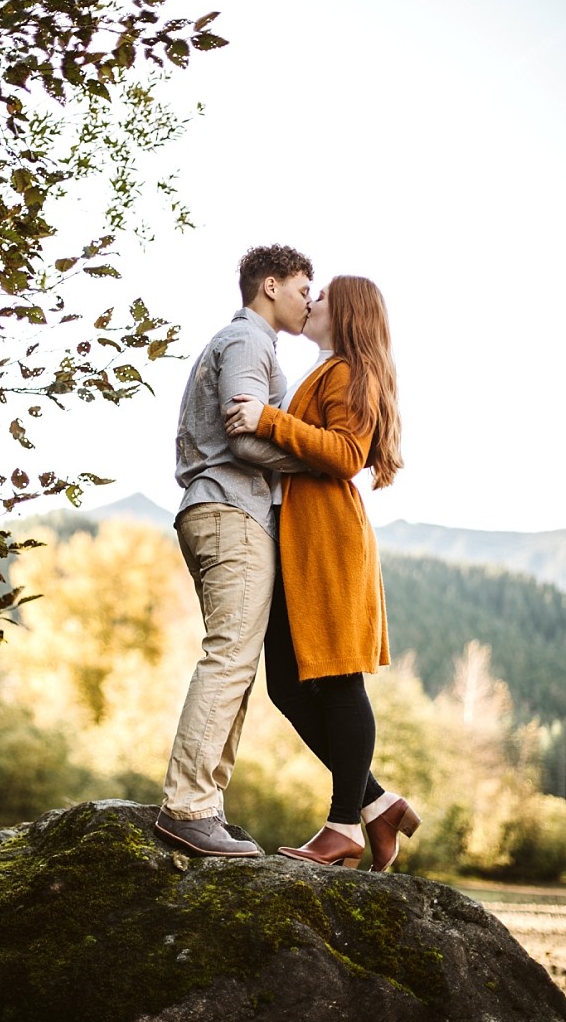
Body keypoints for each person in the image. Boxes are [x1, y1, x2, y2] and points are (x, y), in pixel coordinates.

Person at [225, 275, 421, 871]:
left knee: (339, 680)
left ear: (350, 313)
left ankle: (343, 826)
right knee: (285, 684)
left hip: (328, 540)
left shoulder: (348, 373)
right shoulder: (325, 369)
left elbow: (345, 454)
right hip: (300, 542)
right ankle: (378, 804)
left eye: (324, 297)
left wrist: (265, 420)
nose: (311, 303)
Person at [154, 244, 314, 858]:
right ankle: (188, 807)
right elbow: (244, 438)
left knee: (237, 662)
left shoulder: (242, 342)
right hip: (231, 509)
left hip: (215, 509)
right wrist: (316, 459)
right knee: (230, 659)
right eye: (304, 287)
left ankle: (204, 806)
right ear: (270, 285)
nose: (310, 300)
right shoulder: (250, 343)